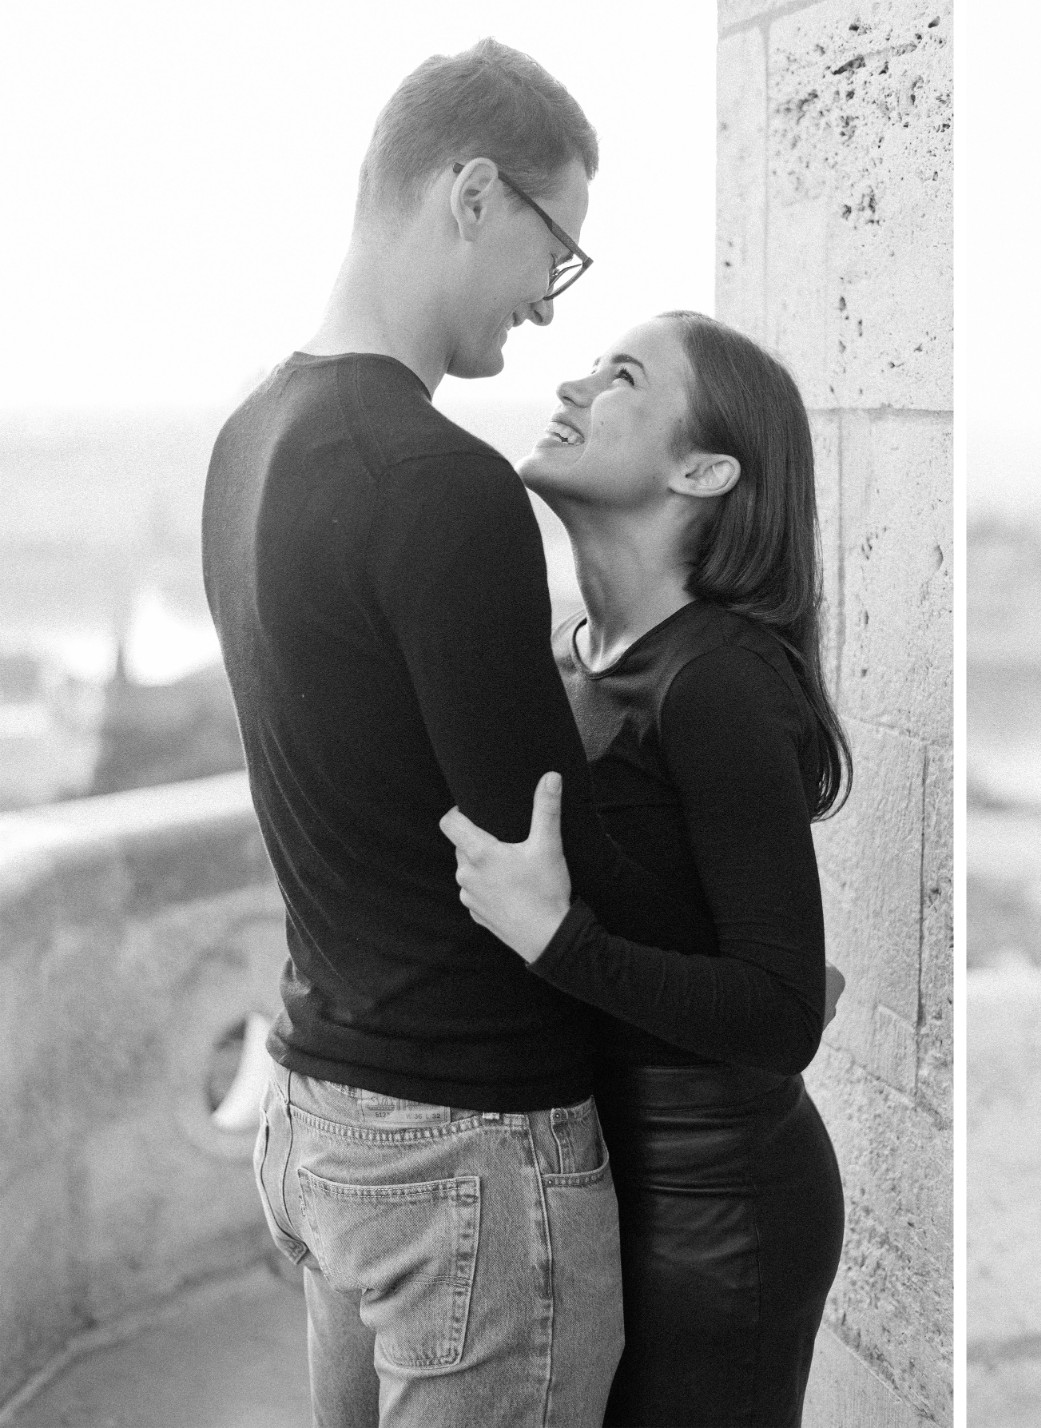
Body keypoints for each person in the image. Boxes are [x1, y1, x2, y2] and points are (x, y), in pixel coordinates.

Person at [204, 39, 659, 1426]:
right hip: (466, 1138)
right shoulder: (438, 483)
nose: (548, 301)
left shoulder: (246, 440)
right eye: (558, 251)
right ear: (474, 193)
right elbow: (542, 844)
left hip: (320, 1115)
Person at [441, 312, 850, 1428]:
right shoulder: (581, 660)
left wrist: (556, 940)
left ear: (704, 468)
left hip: (716, 1208)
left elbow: (782, 1011)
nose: (572, 384)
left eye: (621, 375)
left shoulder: (715, 679)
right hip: (594, 1172)